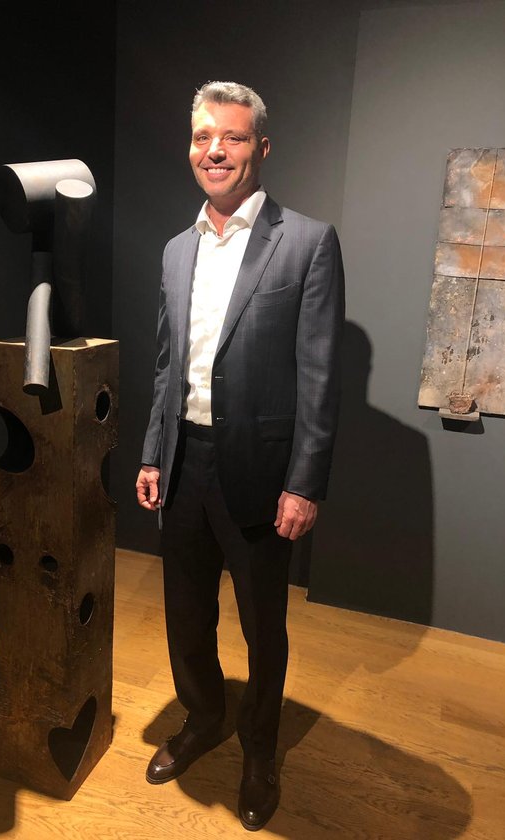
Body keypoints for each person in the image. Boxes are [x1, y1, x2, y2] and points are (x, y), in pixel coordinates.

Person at [135, 80, 344, 831]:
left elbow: (319, 373)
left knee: (262, 626)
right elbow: (170, 365)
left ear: (261, 147)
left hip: (260, 471)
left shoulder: (307, 242)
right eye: (203, 137)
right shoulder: (175, 249)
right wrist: (153, 452)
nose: (215, 150)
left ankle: (259, 748)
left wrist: (304, 482)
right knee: (185, 614)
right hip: (184, 463)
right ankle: (203, 718)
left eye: (232, 136)